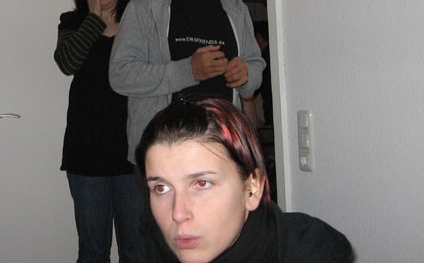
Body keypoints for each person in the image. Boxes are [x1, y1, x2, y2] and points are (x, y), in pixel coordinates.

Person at [109, 0, 266, 164]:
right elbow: (120, 74)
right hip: (163, 149)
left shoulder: (234, 4)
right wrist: (188, 71)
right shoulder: (145, 6)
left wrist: (245, 74)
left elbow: (255, 65)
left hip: (223, 146)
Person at [134, 96, 354, 262]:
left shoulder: (310, 251)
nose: (178, 214)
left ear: (253, 188)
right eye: (161, 188)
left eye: (202, 184)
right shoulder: (148, 250)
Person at [54, 0, 142, 263]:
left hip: (133, 154)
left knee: (136, 250)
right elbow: (67, 62)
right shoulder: (73, 21)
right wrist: (93, 19)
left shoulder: (138, 22)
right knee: (93, 251)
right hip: (86, 153)